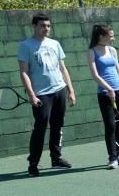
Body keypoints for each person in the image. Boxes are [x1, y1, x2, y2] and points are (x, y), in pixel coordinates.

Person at [18, 12, 77, 176]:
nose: (46, 29)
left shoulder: (55, 44)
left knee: (58, 126)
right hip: (41, 94)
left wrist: (70, 90)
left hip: (59, 89)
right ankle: (33, 163)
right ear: (34, 26)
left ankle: (56, 157)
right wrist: (32, 95)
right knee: (40, 128)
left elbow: (63, 68)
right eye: (43, 26)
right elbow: (24, 72)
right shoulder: (25, 46)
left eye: (49, 26)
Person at [87, 23, 119, 169]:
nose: (113, 39)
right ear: (101, 36)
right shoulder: (92, 52)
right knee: (110, 126)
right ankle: (112, 158)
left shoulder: (112, 50)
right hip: (105, 94)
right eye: (111, 36)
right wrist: (108, 88)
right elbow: (95, 75)